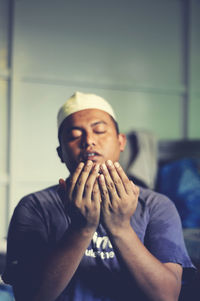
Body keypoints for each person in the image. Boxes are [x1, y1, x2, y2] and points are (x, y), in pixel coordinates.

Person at [2, 92, 195, 301]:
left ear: (121, 142)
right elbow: (28, 296)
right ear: (60, 153)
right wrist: (81, 228)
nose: (89, 141)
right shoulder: (35, 206)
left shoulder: (156, 205)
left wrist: (120, 228)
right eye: (74, 135)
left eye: (100, 130)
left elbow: (167, 296)